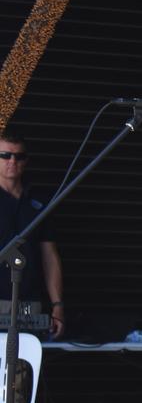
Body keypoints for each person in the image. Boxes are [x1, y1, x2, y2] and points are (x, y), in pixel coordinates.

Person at [0, 128, 65, 338]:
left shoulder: (37, 202)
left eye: (19, 156)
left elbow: (49, 255)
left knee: (22, 365)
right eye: (5, 155)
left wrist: (57, 304)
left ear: (26, 161)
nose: (12, 161)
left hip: (28, 303)